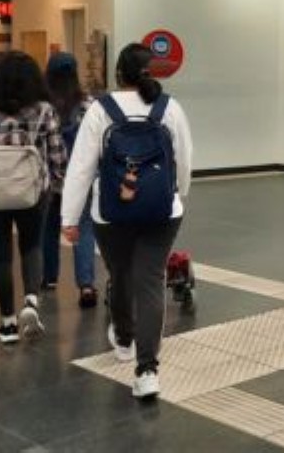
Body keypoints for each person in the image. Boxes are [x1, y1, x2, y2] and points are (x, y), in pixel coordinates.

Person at [61, 43, 193, 400]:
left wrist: (69, 217)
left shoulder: (100, 110)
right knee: (150, 281)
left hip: (111, 213)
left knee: (120, 274)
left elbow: (81, 167)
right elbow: (184, 159)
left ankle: (123, 340)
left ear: (118, 74)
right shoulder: (170, 108)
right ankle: (147, 372)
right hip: (162, 212)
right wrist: (177, 193)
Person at [0, 51, 66, 344]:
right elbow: (58, 157)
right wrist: (54, 182)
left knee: (1, 254)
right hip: (34, 193)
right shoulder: (44, 110)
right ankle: (30, 300)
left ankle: (7, 324)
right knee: (32, 247)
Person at [40, 52, 99, 308]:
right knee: (83, 229)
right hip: (81, 178)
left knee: (48, 228)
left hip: (49, 178)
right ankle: (86, 284)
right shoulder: (88, 104)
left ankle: (48, 277)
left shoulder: (41, 106)